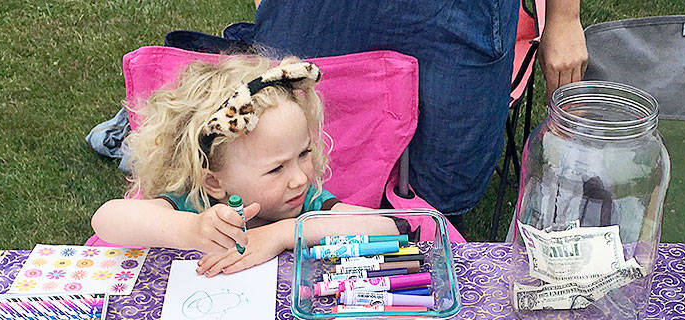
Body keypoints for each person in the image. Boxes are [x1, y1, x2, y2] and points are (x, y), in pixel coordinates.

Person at [249, 0, 587, 217]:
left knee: (440, 193)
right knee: (299, 165)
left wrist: (564, 17)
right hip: (317, 11)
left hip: (459, 14)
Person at [92, 55, 393, 276]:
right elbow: (106, 219)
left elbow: (387, 228)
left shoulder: (305, 205)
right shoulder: (196, 204)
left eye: (303, 154)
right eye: (276, 168)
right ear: (214, 182)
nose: (300, 178)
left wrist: (284, 233)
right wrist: (192, 229)